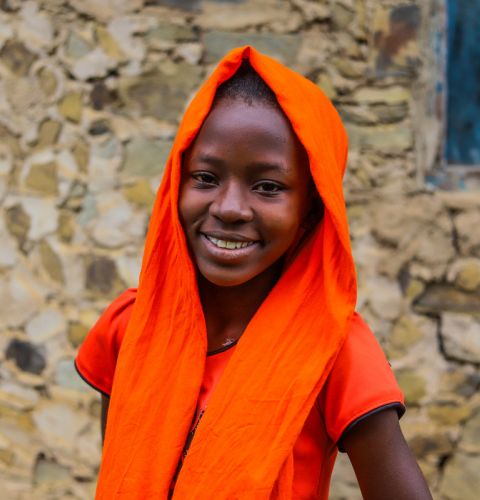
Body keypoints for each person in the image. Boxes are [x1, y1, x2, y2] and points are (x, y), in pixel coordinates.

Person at [75, 46, 433, 499]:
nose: (228, 208)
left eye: (268, 187)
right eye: (205, 177)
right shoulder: (130, 328)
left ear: (312, 209)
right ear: (174, 182)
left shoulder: (335, 351)